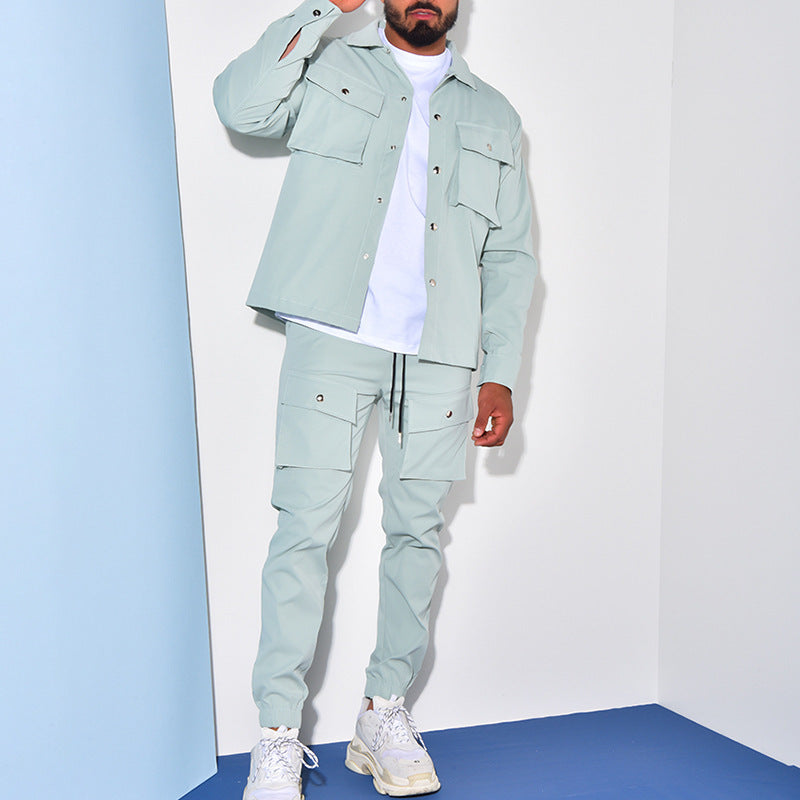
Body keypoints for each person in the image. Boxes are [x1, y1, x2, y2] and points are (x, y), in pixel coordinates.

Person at [213, 0, 536, 796]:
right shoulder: (329, 68)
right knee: (304, 533)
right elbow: (240, 107)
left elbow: (513, 253)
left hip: (441, 354)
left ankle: (381, 710)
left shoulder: (494, 113)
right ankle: (278, 736)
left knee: (418, 536)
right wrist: (325, 9)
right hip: (334, 335)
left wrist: (500, 369)